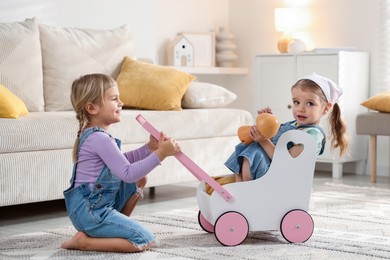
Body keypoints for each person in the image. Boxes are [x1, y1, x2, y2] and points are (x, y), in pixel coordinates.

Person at [61, 73, 181, 253]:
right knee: (144, 240)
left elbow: (123, 163)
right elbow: (128, 172)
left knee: (141, 179)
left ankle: (114, 228)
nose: (121, 103)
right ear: (92, 108)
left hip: (92, 208)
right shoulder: (99, 138)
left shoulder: (96, 136)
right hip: (91, 212)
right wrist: (161, 154)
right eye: (114, 99)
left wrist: (149, 148)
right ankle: (84, 243)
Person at [225, 73, 348, 182]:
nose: (301, 108)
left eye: (310, 103)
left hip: (282, 178)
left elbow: (285, 160)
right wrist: (268, 125)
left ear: (325, 108)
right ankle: (239, 184)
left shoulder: (312, 136)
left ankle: (246, 188)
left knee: (256, 151)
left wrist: (263, 140)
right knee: (247, 146)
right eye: (296, 102)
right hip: (269, 170)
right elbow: (276, 142)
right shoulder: (291, 125)